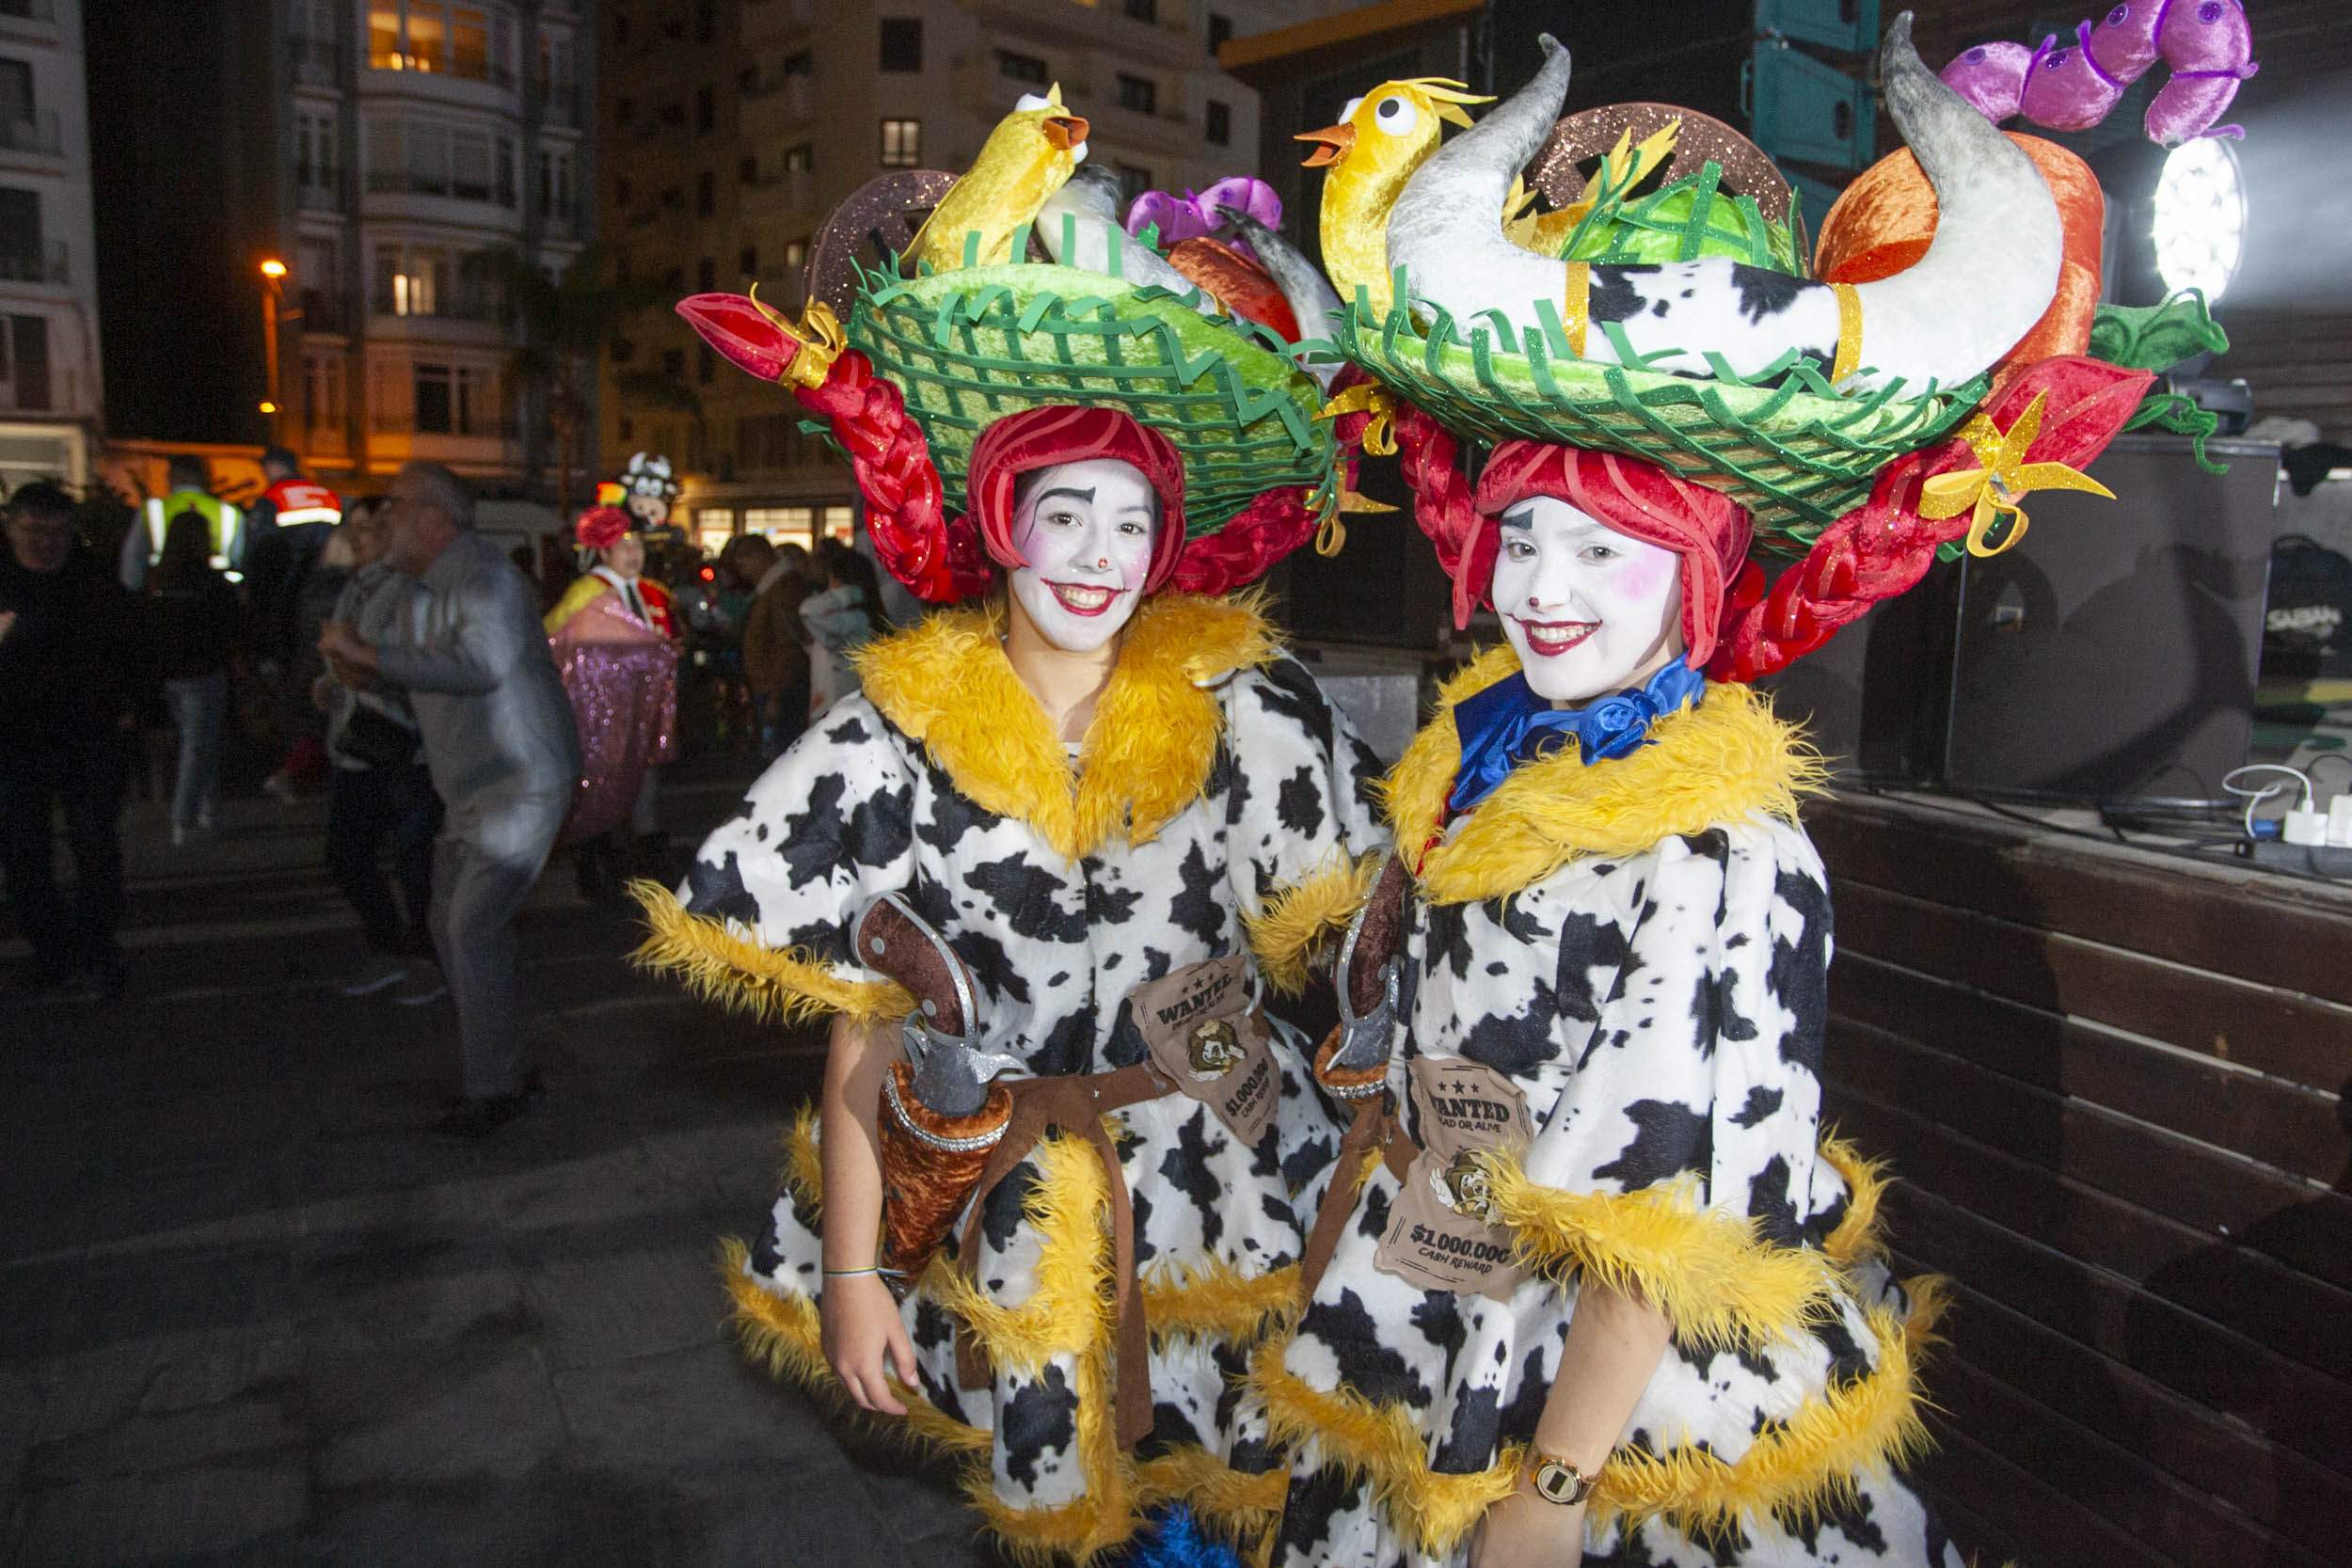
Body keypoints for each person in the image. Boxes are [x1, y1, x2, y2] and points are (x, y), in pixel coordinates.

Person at [1260, 29, 2157, 1568]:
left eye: (1605, 553)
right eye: (1526, 537)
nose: (1546, 590)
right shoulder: (1489, 767)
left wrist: (1548, 1502)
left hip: (1626, 1418)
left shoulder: (1724, 856)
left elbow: (1664, 1238)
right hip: (1436, 1314)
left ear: (1694, 578)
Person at [653, 113, 1390, 1562]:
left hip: (1226, 1163)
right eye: (1067, 514)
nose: (1101, 557)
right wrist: (860, 1272)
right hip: (999, 1187)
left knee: (1241, 1500)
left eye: (1131, 522)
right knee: (1058, 1519)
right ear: (1005, 525)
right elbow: (864, 1035)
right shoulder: (893, 731)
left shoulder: (1242, 703)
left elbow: (1371, 925)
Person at [318, 462, 580, 1135]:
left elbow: (481, 665)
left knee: (468, 928)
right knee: (449, 925)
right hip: (473, 788)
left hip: (517, 783)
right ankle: (504, 1067)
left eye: (398, 506)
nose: (383, 518)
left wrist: (370, 656)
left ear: (436, 518)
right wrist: (354, 673)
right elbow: (420, 671)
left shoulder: (483, 574)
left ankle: (496, 1087)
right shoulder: (426, 585)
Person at [1, 482, 141, 998]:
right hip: (16, 740)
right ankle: (52, 952)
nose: (46, 545)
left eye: (57, 533)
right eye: (34, 533)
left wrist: (132, 709)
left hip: (89, 736)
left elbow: (132, 644)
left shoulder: (93, 580)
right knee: (24, 853)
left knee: (96, 847)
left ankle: (97, 948)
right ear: (12, 528)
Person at [318, 497, 441, 1000]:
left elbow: (411, 664)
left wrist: (355, 668)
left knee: (415, 859)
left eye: (376, 528)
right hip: (356, 742)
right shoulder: (356, 583)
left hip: (405, 744)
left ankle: (426, 957)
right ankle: (391, 943)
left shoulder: (414, 588)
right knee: (348, 853)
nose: (365, 538)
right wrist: (332, 680)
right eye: (358, 529)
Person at [542, 504, 680, 901]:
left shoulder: (651, 592)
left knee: (643, 790)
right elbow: (556, 640)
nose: (634, 553)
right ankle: (603, 872)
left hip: (641, 712)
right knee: (601, 789)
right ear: (603, 554)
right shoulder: (587, 594)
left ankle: (642, 870)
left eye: (636, 544)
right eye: (623, 547)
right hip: (599, 715)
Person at [144, 510, 241, 847]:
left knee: (199, 744)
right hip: (202, 672)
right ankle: (185, 818)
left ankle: (208, 814)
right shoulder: (210, 582)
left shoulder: (158, 581)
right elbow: (231, 626)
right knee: (199, 745)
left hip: (168, 674)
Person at [735, 534, 811, 758]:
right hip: (772, 687)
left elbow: (788, 644)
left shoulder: (782, 589)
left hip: (780, 689)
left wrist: (777, 695)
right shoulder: (773, 588)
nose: (741, 570)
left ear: (760, 557)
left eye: (743, 562)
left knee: (783, 755)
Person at [120, 455, 243, 592]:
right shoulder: (229, 512)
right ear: (204, 478)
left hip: (163, 590)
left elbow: (133, 557)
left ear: (173, 476)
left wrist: (132, 590)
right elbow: (240, 559)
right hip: (214, 593)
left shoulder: (152, 509)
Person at [798, 534, 886, 718]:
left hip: (840, 708)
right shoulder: (859, 617)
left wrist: (850, 593)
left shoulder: (855, 620)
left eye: (832, 579)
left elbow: (807, 610)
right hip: (837, 705)